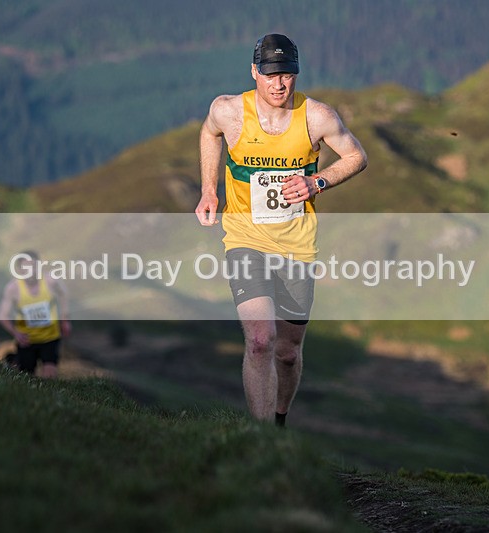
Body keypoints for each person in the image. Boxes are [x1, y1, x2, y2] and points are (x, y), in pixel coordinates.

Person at [195, 34, 367, 425]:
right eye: (271, 75)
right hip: (244, 239)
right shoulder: (229, 111)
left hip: (297, 245)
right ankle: (262, 440)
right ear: (254, 72)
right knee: (260, 341)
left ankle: (279, 418)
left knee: (287, 352)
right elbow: (209, 134)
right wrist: (209, 190)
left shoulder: (317, 117)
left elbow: (357, 156)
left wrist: (317, 182)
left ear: (297, 75)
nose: (279, 84)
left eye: (287, 75)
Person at [0, 250, 71, 378]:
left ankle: (48, 397)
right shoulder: (13, 288)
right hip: (27, 340)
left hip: (50, 337)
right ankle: (14, 360)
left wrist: (65, 320)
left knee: (50, 375)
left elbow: (64, 294)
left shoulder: (50, 281)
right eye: (26, 267)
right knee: (26, 377)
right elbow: (2, 316)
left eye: (34, 266)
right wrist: (16, 333)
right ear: (19, 269)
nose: (31, 270)